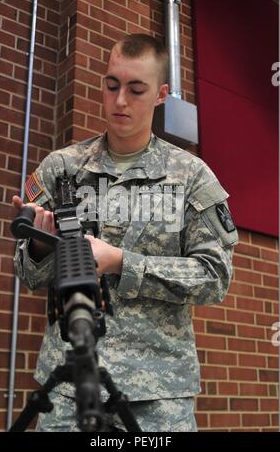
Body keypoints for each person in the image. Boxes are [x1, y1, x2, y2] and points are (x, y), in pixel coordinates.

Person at [12, 33, 238, 432]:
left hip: (157, 392)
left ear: (160, 94)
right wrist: (38, 246)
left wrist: (121, 263)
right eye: (112, 85)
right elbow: (29, 276)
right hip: (70, 388)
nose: (120, 101)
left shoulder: (191, 176)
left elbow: (214, 277)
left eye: (136, 89)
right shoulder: (61, 168)